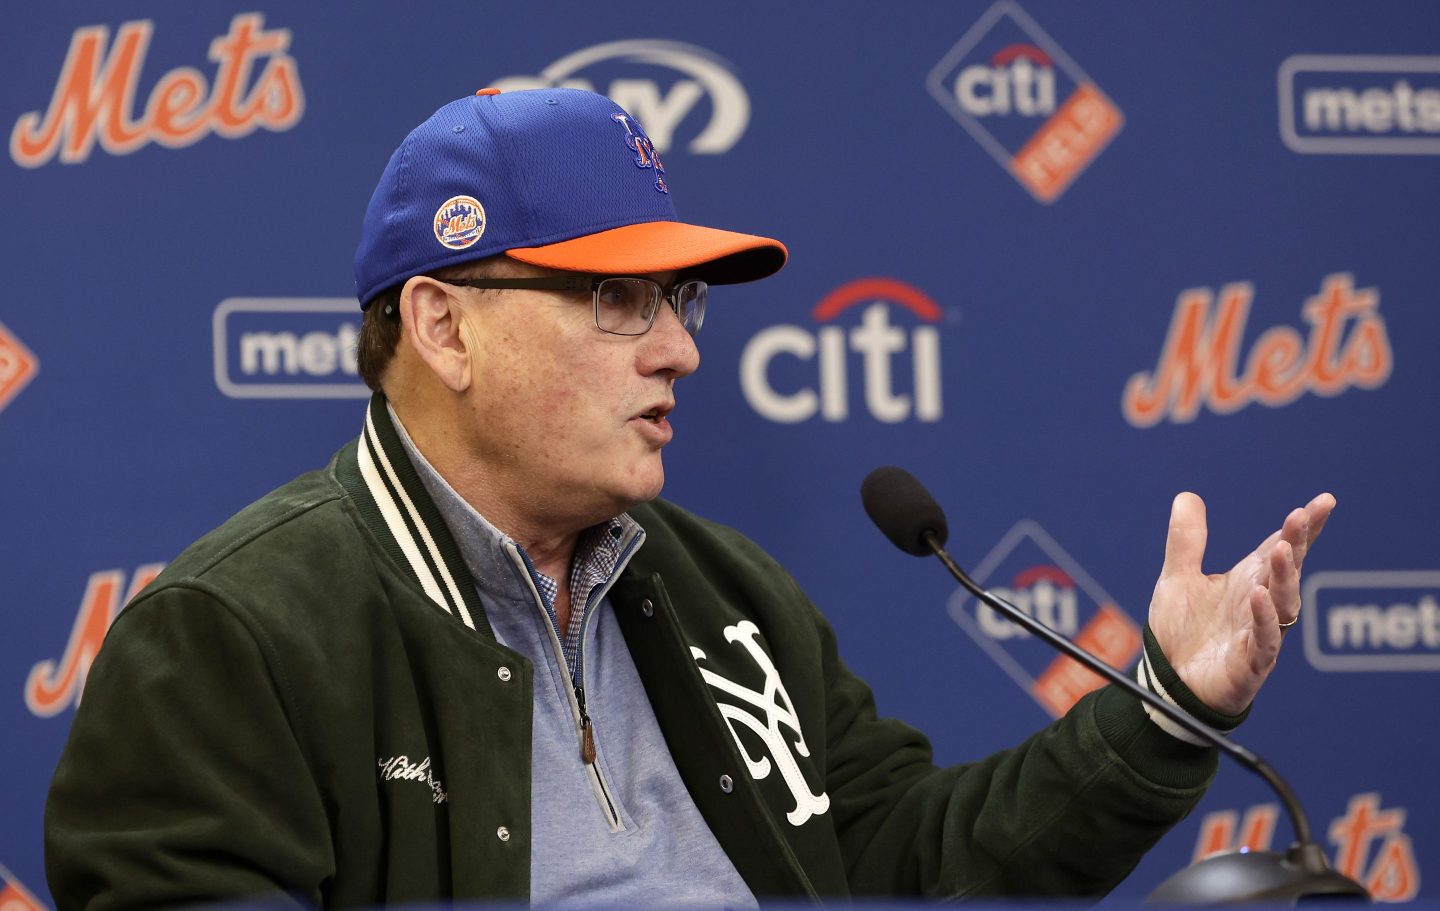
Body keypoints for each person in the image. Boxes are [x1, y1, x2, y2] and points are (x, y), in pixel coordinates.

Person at [45, 87, 1333, 909]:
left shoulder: (726, 590)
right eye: (618, 301)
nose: (680, 351)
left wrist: (1168, 708)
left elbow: (909, 870)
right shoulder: (235, 632)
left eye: (681, 302)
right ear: (443, 327)